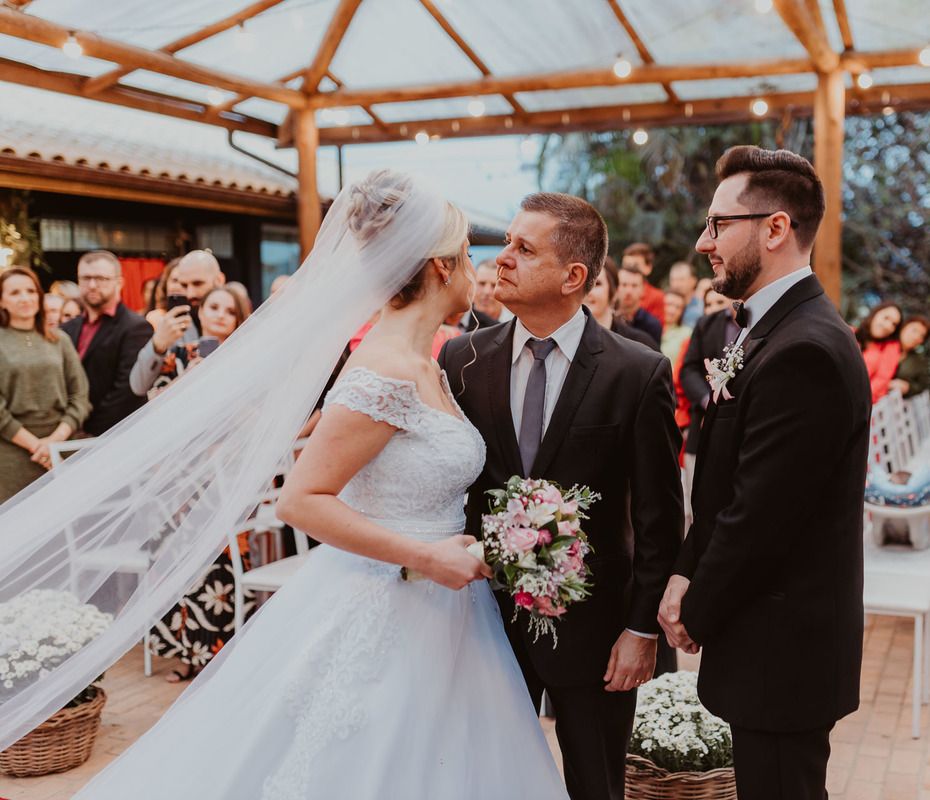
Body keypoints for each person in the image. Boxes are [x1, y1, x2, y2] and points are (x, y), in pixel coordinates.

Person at [47, 171, 569, 798]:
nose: (478, 270)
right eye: (465, 255)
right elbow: (300, 499)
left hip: (448, 610)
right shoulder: (384, 368)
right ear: (440, 266)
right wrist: (426, 556)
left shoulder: (426, 360)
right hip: (389, 601)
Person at [440, 192, 684, 800]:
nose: (503, 258)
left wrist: (641, 630)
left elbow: (659, 518)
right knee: (490, 782)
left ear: (574, 276)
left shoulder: (637, 372)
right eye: (506, 243)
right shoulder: (463, 358)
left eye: (524, 249)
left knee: (597, 784)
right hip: (486, 621)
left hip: (597, 631)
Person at [658, 146, 870, 800]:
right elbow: (726, 480)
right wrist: (687, 568)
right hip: (768, 636)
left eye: (719, 224)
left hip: (783, 645)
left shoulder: (806, 349)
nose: (704, 242)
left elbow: (760, 516)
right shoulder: (770, 330)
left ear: (775, 228)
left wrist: (696, 609)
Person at [144, 286, 254, 681]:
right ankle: (184, 653)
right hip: (178, 474)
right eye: (214, 307)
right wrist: (189, 380)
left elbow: (260, 416)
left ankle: (218, 653)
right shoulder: (180, 355)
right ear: (200, 312)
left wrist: (229, 443)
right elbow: (154, 406)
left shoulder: (250, 359)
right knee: (171, 559)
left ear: (240, 318)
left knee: (216, 562)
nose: (221, 314)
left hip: (224, 474)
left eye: (230, 310)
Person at [0, 267, 91, 503]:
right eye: (15, 292)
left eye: (31, 291)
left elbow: (80, 396)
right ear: (1, 300)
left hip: (61, 448)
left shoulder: (59, 340)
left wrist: (54, 441)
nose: (25, 298)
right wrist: (39, 448)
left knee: (65, 516)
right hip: (13, 455)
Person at [59, 251, 154, 436]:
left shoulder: (136, 327)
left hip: (113, 434)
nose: (92, 285)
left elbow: (126, 392)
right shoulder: (66, 328)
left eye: (101, 279)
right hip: (68, 430)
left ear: (119, 283)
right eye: (86, 278)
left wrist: (88, 430)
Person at [678, 286, 739, 526]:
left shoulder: (760, 326)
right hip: (702, 426)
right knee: (696, 507)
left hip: (742, 431)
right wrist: (708, 401)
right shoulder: (706, 324)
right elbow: (689, 369)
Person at [130, 250, 224, 396]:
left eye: (198, 283)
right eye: (184, 285)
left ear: (219, 280)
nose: (190, 293)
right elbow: (139, 386)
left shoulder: (242, 323)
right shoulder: (174, 327)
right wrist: (158, 345)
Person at [584, 257, 657, 349]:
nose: (587, 292)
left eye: (597, 284)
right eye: (581, 284)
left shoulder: (639, 344)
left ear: (614, 292)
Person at [856, 300, 903, 403]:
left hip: (859, 403)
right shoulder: (851, 333)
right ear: (875, 313)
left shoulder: (891, 347)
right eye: (886, 318)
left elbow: (880, 382)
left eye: (894, 324)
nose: (888, 326)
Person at [616, 263, 663, 346]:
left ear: (643, 289)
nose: (629, 291)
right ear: (616, 287)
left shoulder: (652, 325)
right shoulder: (607, 318)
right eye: (624, 285)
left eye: (634, 286)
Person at [890, 314, 930, 399]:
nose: (916, 337)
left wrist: (908, 388)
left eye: (922, 336)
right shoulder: (885, 346)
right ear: (903, 327)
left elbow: (921, 385)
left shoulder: (919, 360)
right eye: (914, 330)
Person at [622, 242, 665, 326]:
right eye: (626, 266)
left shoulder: (656, 297)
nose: (630, 270)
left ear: (648, 267)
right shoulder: (613, 291)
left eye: (636, 265)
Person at [144, 257, 183, 328]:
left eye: (183, 283)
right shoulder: (155, 318)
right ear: (166, 284)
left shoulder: (201, 315)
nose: (178, 287)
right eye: (174, 281)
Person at [472, 257, 511, 322]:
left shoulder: (516, 325)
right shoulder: (458, 322)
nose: (487, 291)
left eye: (494, 285)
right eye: (482, 284)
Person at [660, 288, 692, 365]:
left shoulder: (687, 333)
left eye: (678, 307)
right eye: (669, 304)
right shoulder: (648, 327)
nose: (672, 311)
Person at [668, 261, 704, 326]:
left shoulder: (702, 307)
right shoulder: (664, 305)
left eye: (682, 279)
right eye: (673, 280)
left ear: (694, 281)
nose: (677, 284)